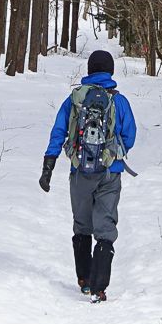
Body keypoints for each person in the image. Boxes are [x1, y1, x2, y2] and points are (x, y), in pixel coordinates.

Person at [40, 48, 139, 301]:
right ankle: (99, 287)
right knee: (105, 227)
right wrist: (115, 153)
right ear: (111, 71)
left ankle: (84, 279)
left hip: (79, 172)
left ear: (89, 70)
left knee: (82, 225)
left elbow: (58, 132)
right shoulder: (119, 101)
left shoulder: (73, 99)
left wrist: (48, 166)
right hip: (110, 173)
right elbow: (130, 135)